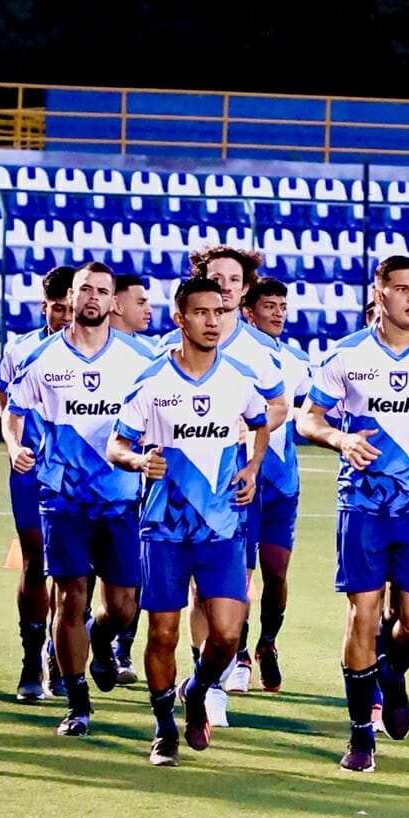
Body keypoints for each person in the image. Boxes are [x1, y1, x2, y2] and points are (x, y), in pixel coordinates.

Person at [297, 254, 409, 773]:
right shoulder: (346, 355)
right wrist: (339, 437)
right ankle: (359, 736)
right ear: (380, 294)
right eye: (401, 288)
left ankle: (390, 672)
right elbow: (309, 419)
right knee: (364, 615)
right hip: (365, 506)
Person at [107, 277, 270, 765]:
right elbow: (117, 444)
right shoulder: (152, 381)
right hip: (165, 529)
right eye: (200, 312)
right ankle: (163, 730)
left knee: (225, 633)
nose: (212, 321)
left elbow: (260, 423)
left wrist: (252, 467)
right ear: (180, 318)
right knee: (162, 632)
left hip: (222, 528)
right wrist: (138, 462)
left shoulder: (238, 378)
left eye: (218, 312)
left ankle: (197, 690)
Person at [3, 262, 156, 737]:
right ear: (70, 297)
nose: (92, 297)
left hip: (121, 499)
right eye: (84, 289)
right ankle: (77, 701)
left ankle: (100, 639)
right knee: (69, 597)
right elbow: (13, 413)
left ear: (114, 301)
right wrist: (15, 446)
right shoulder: (42, 359)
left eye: (102, 291)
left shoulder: (140, 358)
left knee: (125, 605)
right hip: (63, 499)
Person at [160, 246, 288, 706]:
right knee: (194, 593)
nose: (227, 287)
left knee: (236, 587)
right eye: (217, 278)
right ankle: (207, 684)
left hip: (236, 485)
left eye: (234, 279)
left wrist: (251, 428)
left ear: (245, 286)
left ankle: (226, 664)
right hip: (177, 492)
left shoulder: (257, 351)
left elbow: (279, 405)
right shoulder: (167, 350)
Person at [0, 265, 74, 702]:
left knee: (74, 570)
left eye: (70, 307)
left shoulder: (97, 351)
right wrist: (13, 440)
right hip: (31, 470)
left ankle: (61, 655)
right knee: (34, 560)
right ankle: (31, 658)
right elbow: (1, 395)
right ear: (44, 306)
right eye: (57, 307)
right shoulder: (21, 350)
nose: (64, 315)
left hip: (80, 476)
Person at [240, 278, 311, 691]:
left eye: (282, 306)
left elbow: (312, 405)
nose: (278, 313)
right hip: (246, 475)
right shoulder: (238, 354)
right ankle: (241, 653)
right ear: (249, 311)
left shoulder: (297, 359)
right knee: (243, 573)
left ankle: (268, 643)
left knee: (277, 571)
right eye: (269, 306)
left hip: (284, 479)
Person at [107, 272, 155, 683]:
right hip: (79, 490)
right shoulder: (84, 351)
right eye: (140, 301)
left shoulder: (152, 358)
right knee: (76, 583)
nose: (148, 309)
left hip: (132, 489)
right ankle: (58, 653)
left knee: (132, 580)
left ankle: (120, 648)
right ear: (116, 305)